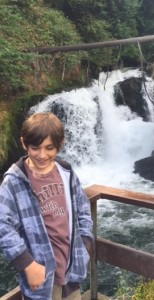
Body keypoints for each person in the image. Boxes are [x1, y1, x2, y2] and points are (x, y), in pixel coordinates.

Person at [0, 112, 94, 300]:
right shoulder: (14, 182)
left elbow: (83, 208)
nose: (42, 155)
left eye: (49, 148)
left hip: (71, 271)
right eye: (35, 148)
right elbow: (3, 226)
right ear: (23, 143)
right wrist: (27, 264)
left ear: (60, 144)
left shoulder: (66, 172)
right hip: (40, 279)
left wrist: (84, 245)